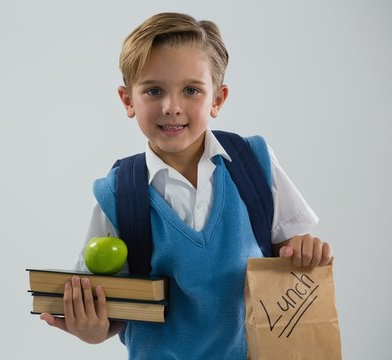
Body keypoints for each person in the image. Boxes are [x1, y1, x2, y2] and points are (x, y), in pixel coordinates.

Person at [40, 12, 333, 359]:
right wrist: (92, 330)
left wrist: (304, 249)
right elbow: (111, 311)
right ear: (128, 100)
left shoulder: (254, 162)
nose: (171, 107)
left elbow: (290, 248)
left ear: (218, 99)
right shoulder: (119, 193)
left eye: (191, 90)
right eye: (153, 90)